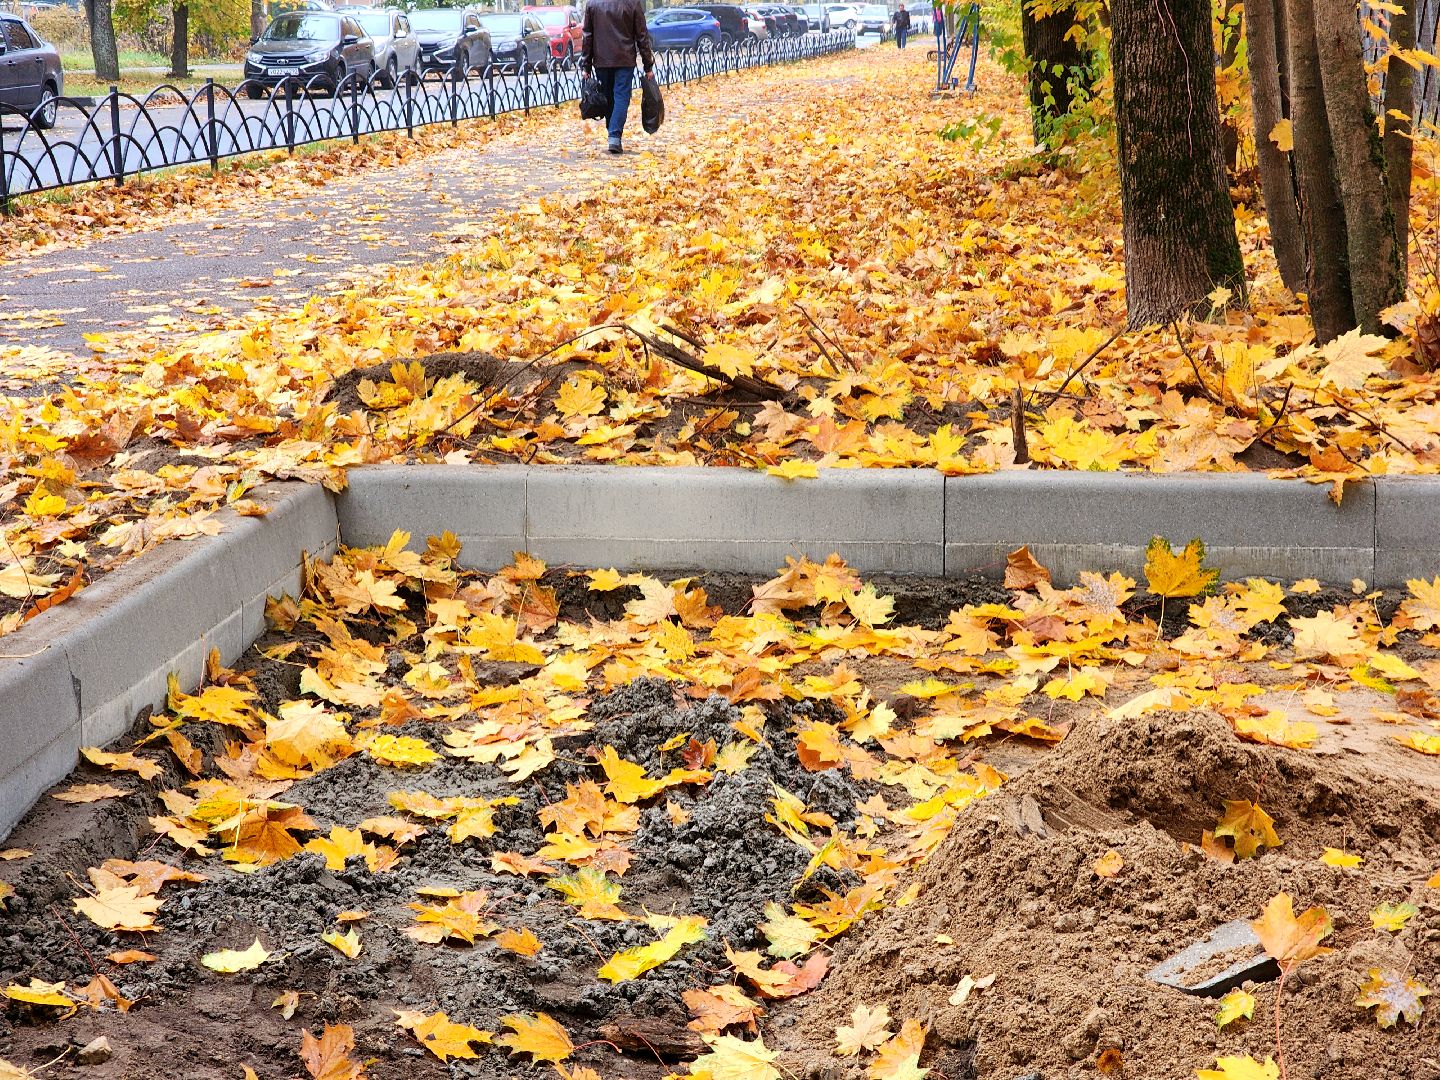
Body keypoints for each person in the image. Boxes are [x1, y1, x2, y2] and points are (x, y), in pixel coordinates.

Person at [581, 0, 655, 154]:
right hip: (625, 60)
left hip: (601, 60)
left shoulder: (593, 3)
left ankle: (613, 134)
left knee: (608, 97)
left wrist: (586, 65)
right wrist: (648, 65)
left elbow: (587, 36)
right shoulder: (632, 3)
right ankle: (614, 136)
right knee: (621, 97)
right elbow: (642, 36)